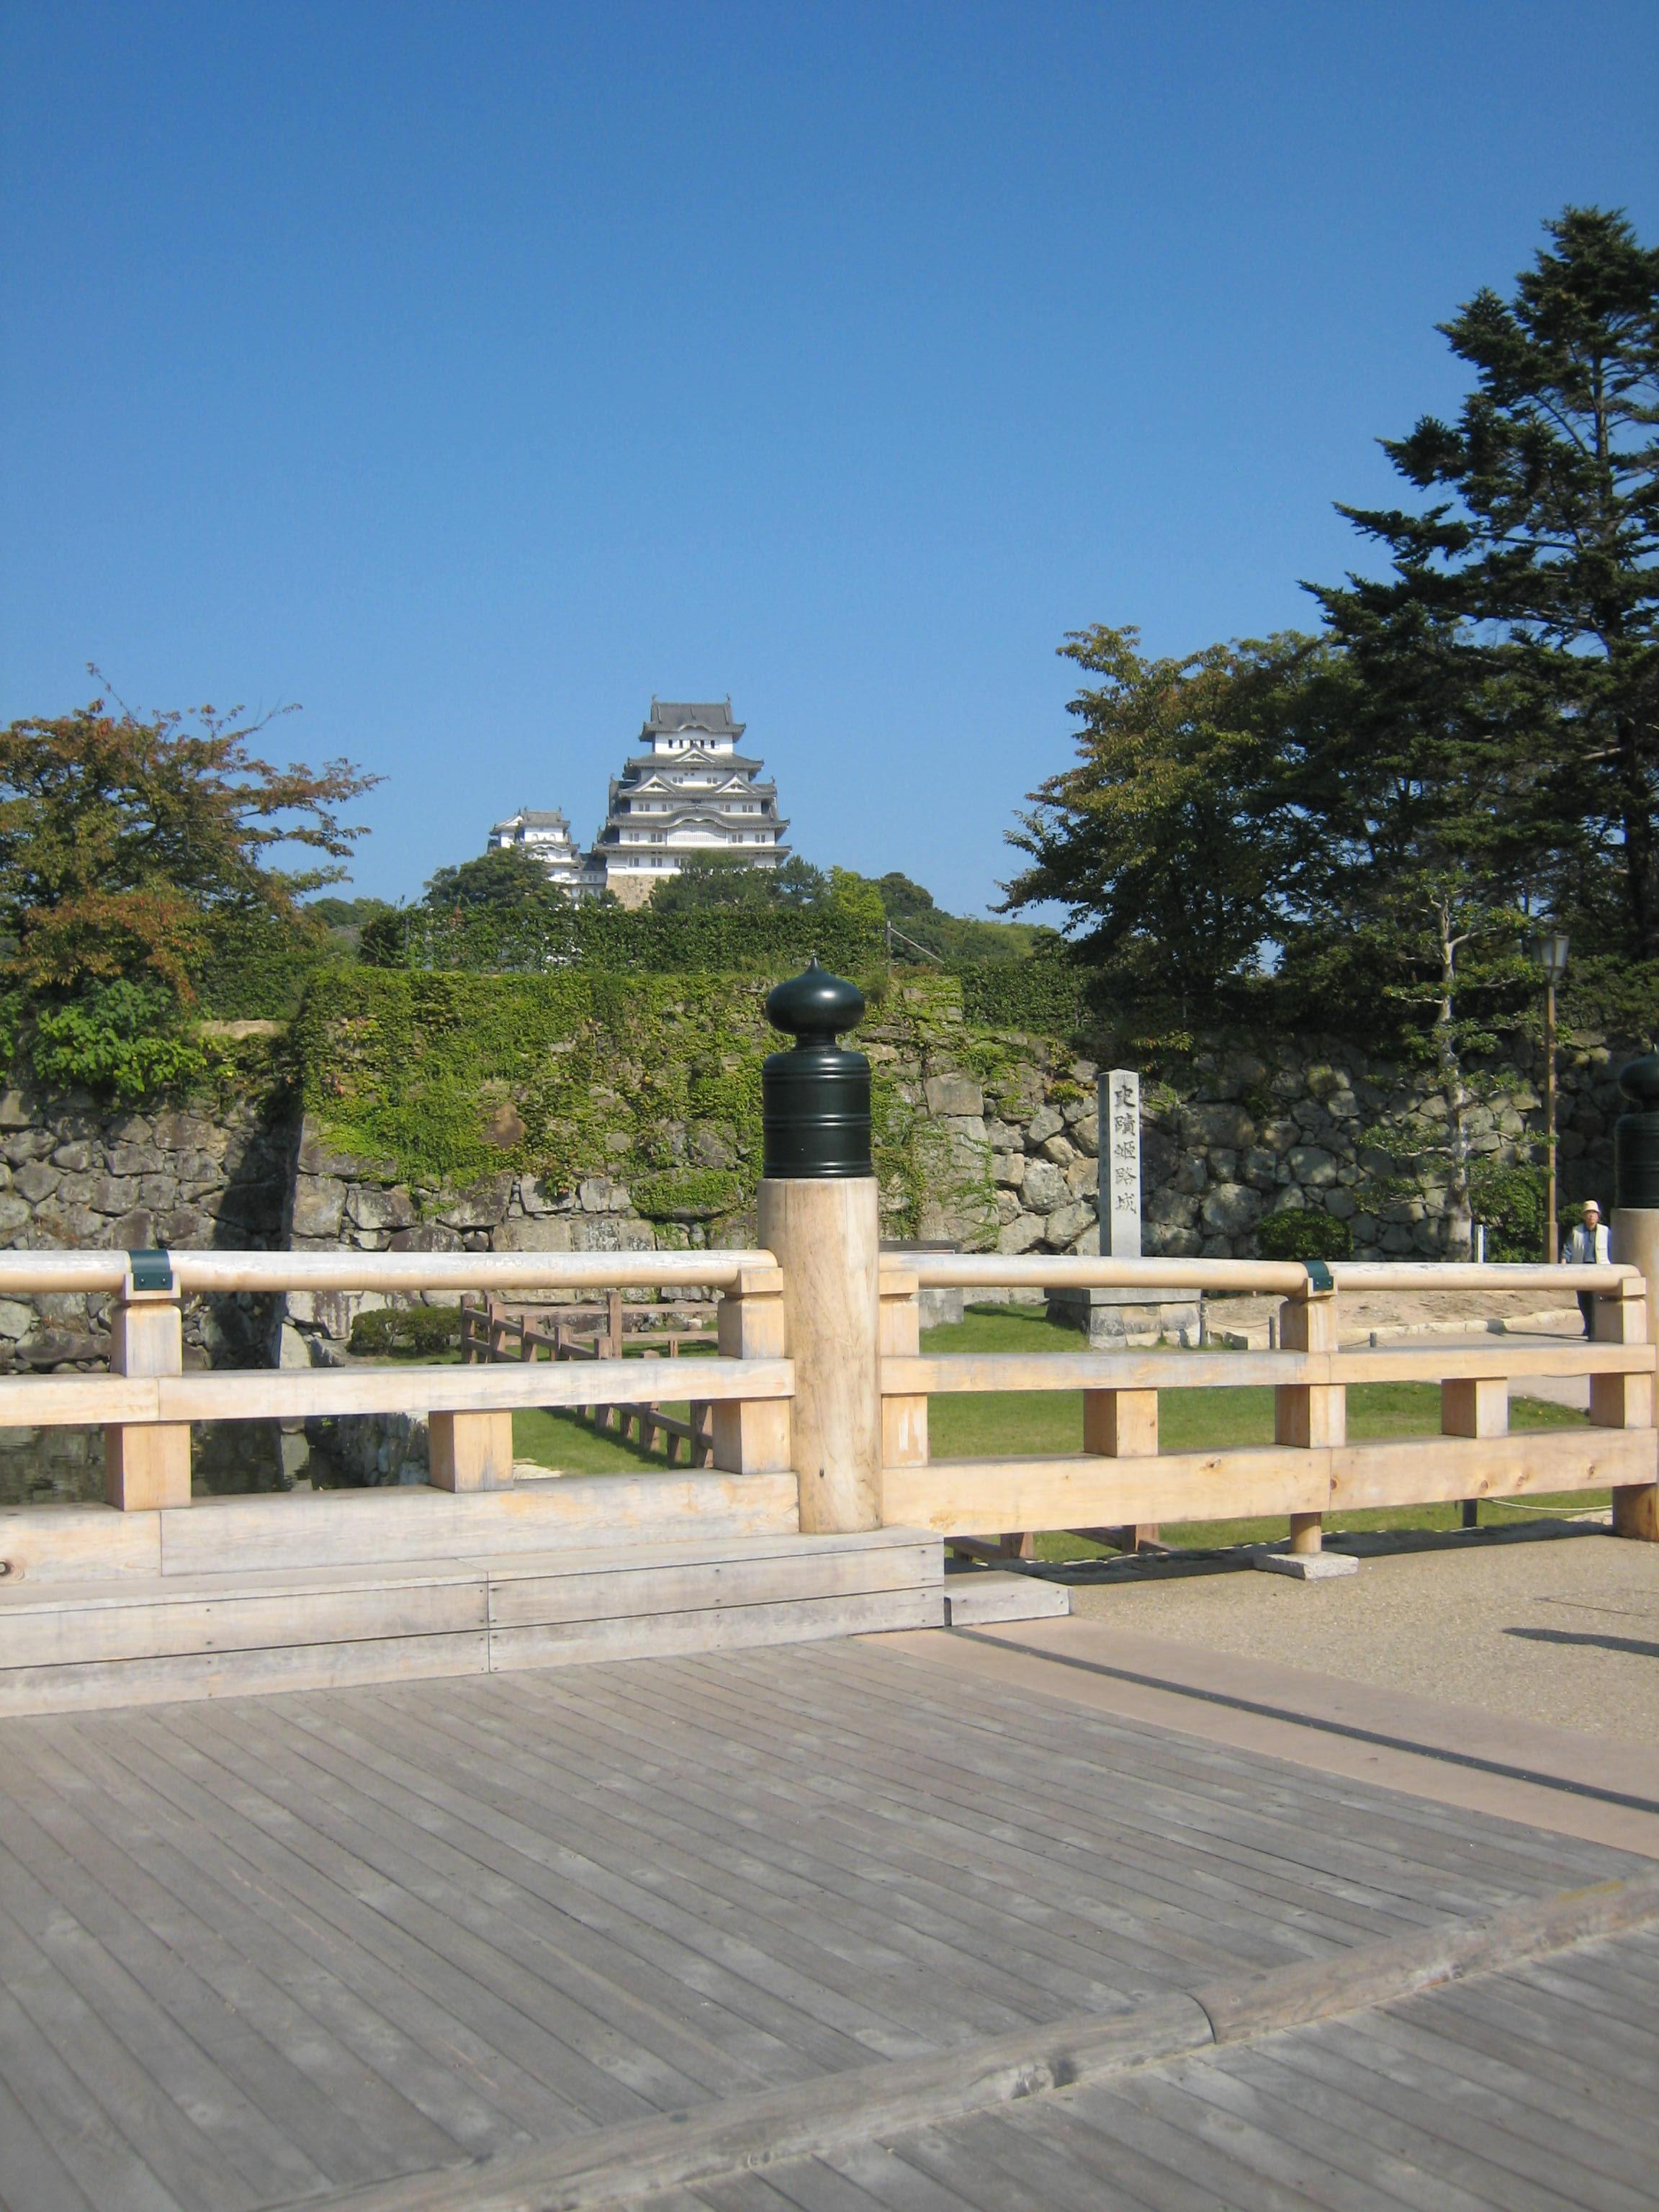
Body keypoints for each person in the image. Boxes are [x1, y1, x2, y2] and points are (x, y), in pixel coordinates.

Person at [1563, 1198, 1611, 1336]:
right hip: (1581, 1270)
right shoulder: (1576, 1231)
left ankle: (1595, 1327)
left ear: (1598, 1216)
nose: (1591, 1216)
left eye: (1594, 1213)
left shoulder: (1605, 1231)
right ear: (1584, 1215)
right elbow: (1568, 1249)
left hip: (1599, 1270)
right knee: (1583, 1300)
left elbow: (1612, 1249)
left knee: (1596, 1300)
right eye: (1588, 1213)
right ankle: (1589, 1325)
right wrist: (1563, 1264)